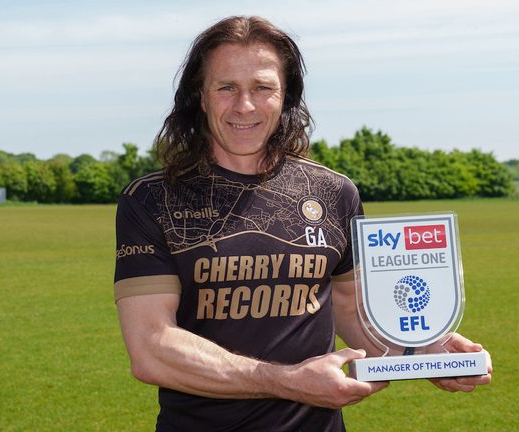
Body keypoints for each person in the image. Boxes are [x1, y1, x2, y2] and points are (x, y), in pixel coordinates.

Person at [114, 15, 492, 431]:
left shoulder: (334, 193)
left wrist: (426, 354)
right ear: (201, 98)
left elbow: (352, 312)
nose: (245, 105)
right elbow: (152, 348)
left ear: (285, 96)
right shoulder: (151, 200)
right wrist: (288, 382)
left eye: (262, 87)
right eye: (226, 88)